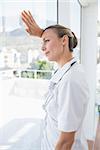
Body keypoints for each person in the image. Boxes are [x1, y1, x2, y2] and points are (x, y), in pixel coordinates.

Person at [21, 10, 90, 150]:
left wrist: (45, 33)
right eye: (43, 41)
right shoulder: (66, 70)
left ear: (64, 40)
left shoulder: (71, 80)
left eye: (46, 41)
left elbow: (66, 141)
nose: (42, 48)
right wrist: (43, 34)